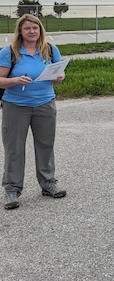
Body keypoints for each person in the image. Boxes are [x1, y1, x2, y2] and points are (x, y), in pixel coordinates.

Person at [0, 14, 66, 210]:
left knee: (46, 145)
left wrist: (59, 77)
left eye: (35, 28)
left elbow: (60, 72)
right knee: (14, 148)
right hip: (16, 106)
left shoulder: (50, 50)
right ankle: (12, 189)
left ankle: (48, 183)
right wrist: (14, 81)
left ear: (40, 30)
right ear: (20, 31)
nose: (32, 31)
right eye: (27, 28)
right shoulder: (9, 52)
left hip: (45, 103)